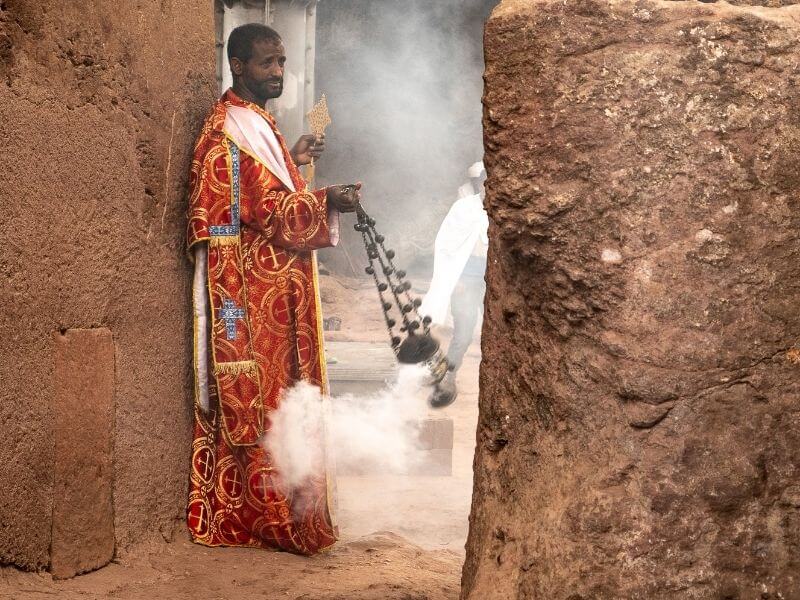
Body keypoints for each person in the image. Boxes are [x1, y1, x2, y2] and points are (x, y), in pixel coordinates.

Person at [185, 23, 360, 555]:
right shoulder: (224, 135)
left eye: (282, 62)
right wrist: (327, 198)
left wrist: (296, 159)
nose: (279, 72)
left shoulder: (257, 122)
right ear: (238, 66)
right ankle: (261, 516)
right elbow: (268, 211)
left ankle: (291, 508)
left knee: (286, 401)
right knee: (262, 404)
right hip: (247, 303)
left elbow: (265, 190)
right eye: (268, 63)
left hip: (274, 299)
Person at [421, 162, 488, 402]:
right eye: (483, 183)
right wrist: (455, 279)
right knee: (464, 332)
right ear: (478, 184)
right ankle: (449, 374)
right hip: (467, 279)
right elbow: (448, 246)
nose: (486, 188)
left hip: (492, 280)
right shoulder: (463, 209)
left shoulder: (502, 210)